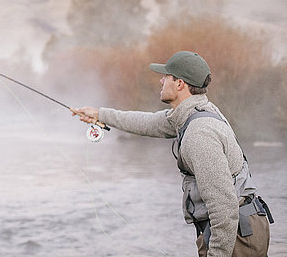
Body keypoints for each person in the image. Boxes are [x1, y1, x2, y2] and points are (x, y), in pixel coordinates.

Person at [73, 51, 272, 257]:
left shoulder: (200, 134)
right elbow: (148, 123)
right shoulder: (193, 112)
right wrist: (100, 114)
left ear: (179, 84)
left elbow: (224, 208)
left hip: (236, 236)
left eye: (166, 76)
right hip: (239, 228)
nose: (161, 80)